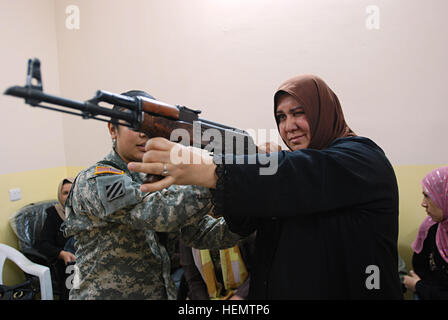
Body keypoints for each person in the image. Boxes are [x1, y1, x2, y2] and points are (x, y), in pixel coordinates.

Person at [128, 75, 403, 299]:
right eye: (281, 117)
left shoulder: (362, 158)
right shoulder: (286, 174)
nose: (289, 126)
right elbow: (248, 218)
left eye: (298, 113)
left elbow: (297, 176)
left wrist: (210, 168)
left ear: (324, 112)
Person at [63, 90, 240, 300]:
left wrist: (250, 219)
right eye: (133, 124)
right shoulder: (95, 180)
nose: (143, 133)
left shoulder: (157, 178)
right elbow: (155, 212)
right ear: (112, 130)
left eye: (151, 126)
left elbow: (200, 233)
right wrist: (215, 172)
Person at [403, 166, 448, 299]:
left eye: (428, 196)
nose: (423, 203)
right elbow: (420, 268)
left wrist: (419, 286)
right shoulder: (431, 227)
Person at [179, 231, 255, 300]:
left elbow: (259, 270)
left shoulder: (241, 225)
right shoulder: (189, 231)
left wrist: (239, 296)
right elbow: (193, 280)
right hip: (206, 296)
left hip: (245, 292)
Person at [38, 177, 76, 300]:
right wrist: (62, 254)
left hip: (86, 256)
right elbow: (43, 244)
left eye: (72, 192)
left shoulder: (86, 212)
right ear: (60, 195)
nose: (69, 196)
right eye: (65, 193)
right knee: (73, 287)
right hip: (68, 262)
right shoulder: (53, 214)